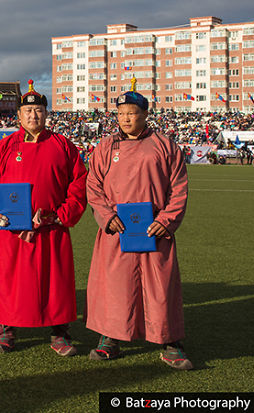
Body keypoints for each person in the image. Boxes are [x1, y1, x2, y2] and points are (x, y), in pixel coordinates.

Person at [85, 81, 192, 369]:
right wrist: (107, 217)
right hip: (117, 230)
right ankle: (111, 338)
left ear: (145, 114)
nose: (125, 119)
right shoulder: (106, 146)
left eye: (131, 113)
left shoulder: (165, 146)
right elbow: (93, 187)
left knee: (160, 287)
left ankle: (170, 341)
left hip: (155, 229)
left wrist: (166, 220)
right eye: (120, 114)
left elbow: (178, 189)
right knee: (116, 286)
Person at [0, 80, 87, 356]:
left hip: (52, 228)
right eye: (28, 111)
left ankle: (60, 332)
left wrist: (64, 214)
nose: (33, 116)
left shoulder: (63, 146)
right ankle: (6, 330)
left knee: (56, 282)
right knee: (11, 282)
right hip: (14, 232)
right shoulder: (3, 147)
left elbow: (78, 183)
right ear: (19, 116)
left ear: (46, 114)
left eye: (38, 110)